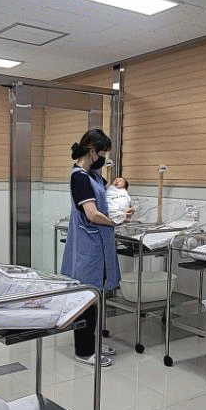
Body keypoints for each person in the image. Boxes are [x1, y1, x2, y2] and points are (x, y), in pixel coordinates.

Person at [60, 129, 130, 367]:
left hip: (99, 245)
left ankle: (94, 343)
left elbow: (108, 202)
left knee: (96, 296)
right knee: (86, 299)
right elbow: (91, 213)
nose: (103, 158)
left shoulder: (95, 176)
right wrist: (115, 221)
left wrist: (123, 211)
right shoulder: (79, 177)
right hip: (87, 247)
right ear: (92, 151)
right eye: (102, 153)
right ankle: (84, 350)